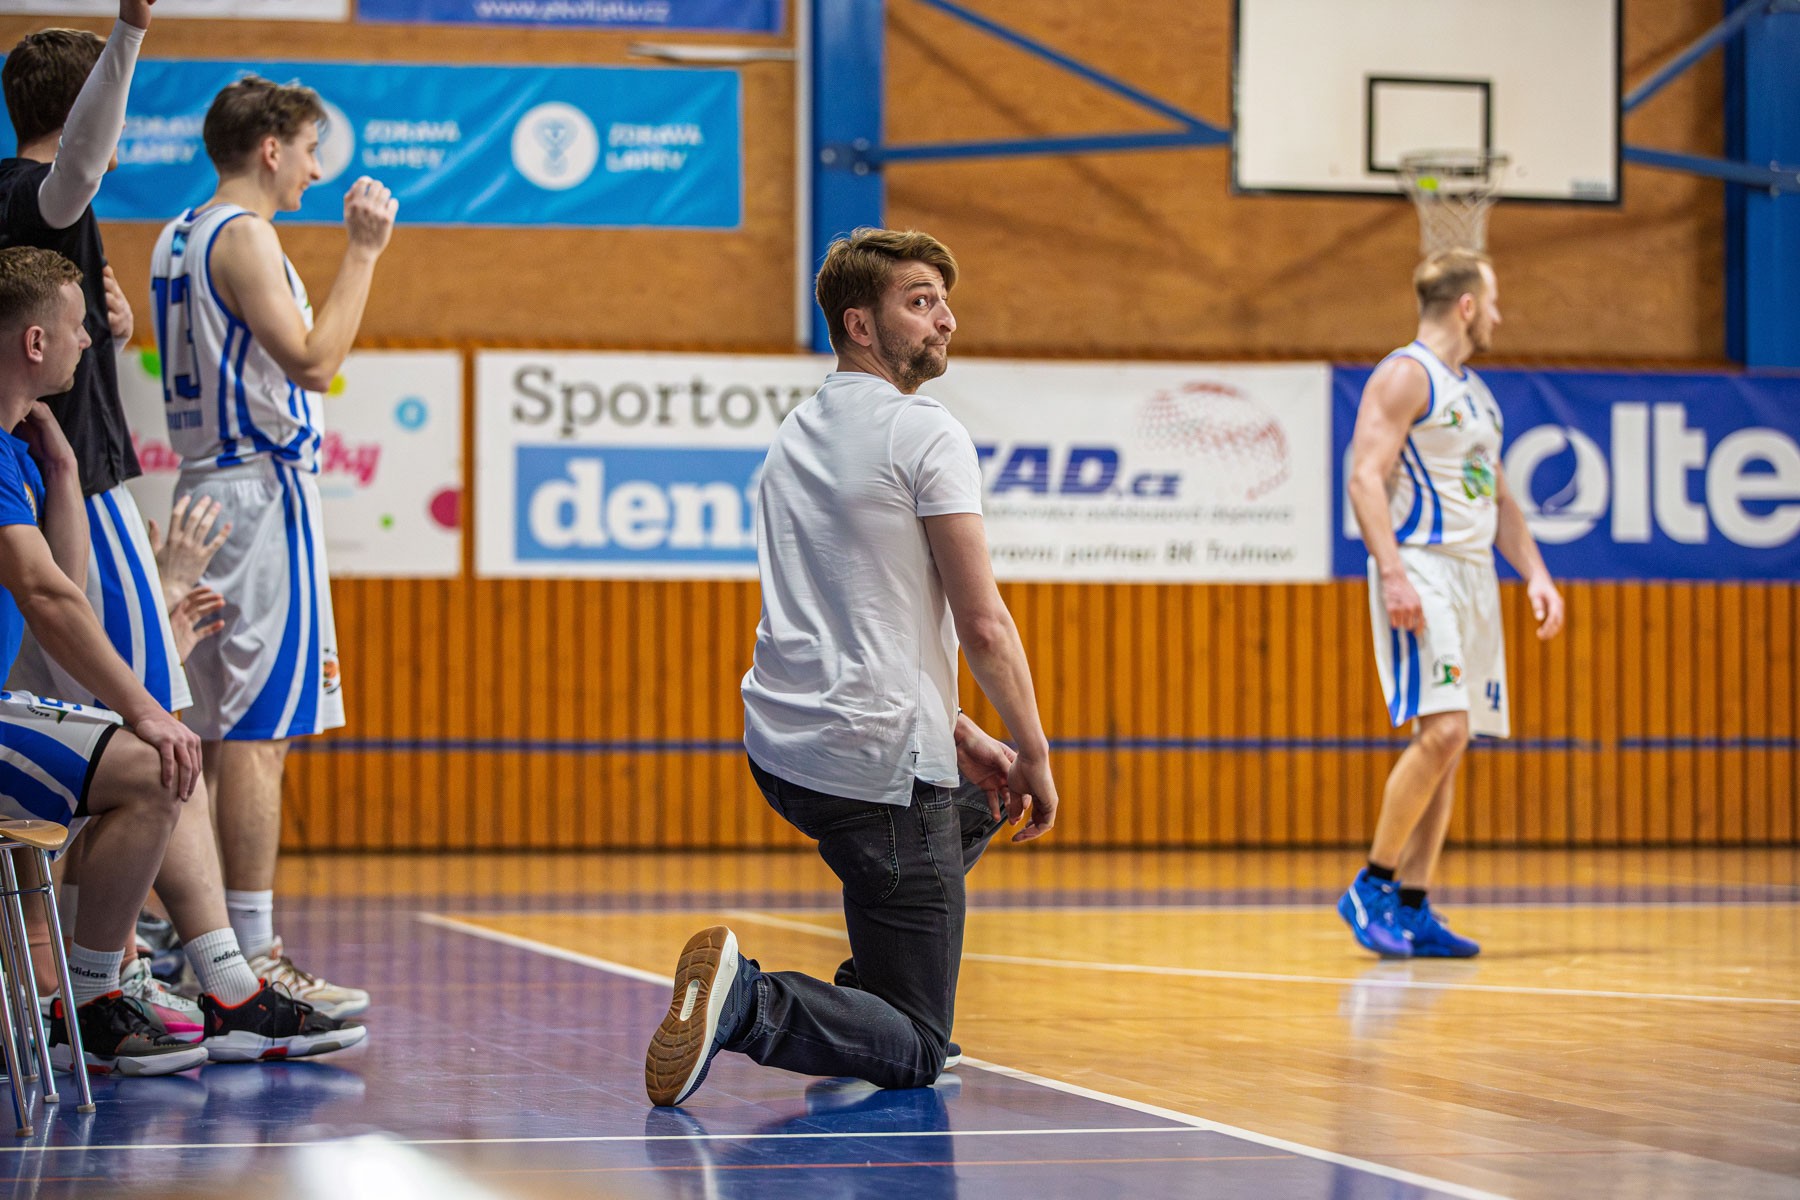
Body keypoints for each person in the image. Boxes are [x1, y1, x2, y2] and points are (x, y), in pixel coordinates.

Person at [644, 227, 1060, 1107]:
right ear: (860, 325)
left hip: (785, 750)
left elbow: (858, 611)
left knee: (972, 802)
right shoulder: (924, 431)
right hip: (876, 768)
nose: (945, 319)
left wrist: (959, 728)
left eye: (945, 301)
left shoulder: (797, 431)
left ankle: (862, 998)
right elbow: (984, 624)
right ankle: (749, 1003)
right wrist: (1034, 751)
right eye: (920, 301)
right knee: (918, 1046)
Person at [0, 247, 364, 1074]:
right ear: (33, 342)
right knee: (156, 760)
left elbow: (63, 584)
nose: (91, 340)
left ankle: (109, 994)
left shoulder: (21, 449)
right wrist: (145, 708)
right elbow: (48, 599)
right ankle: (97, 999)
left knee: (150, 758)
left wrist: (64, 469)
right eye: (78, 326)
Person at [150, 76, 397, 1018]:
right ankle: (251, 961)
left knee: (218, 729)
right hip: (258, 493)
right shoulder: (246, 235)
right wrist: (363, 252)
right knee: (259, 735)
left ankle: (206, 948)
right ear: (270, 148)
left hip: (209, 483)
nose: (316, 170)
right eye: (309, 149)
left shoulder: (176, 234)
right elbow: (316, 362)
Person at [1339, 249, 1565, 959]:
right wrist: (1393, 573)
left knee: (1452, 742)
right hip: (1423, 566)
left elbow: (1499, 499)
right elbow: (1364, 477)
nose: (1498, 315)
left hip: (1474, 577)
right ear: (1466, 306)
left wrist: (1536, 574)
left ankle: (1413, 903)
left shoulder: (1479, 396)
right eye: (1491, 302)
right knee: (1442, 732)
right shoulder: (1406, 374)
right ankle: (1372, 886)